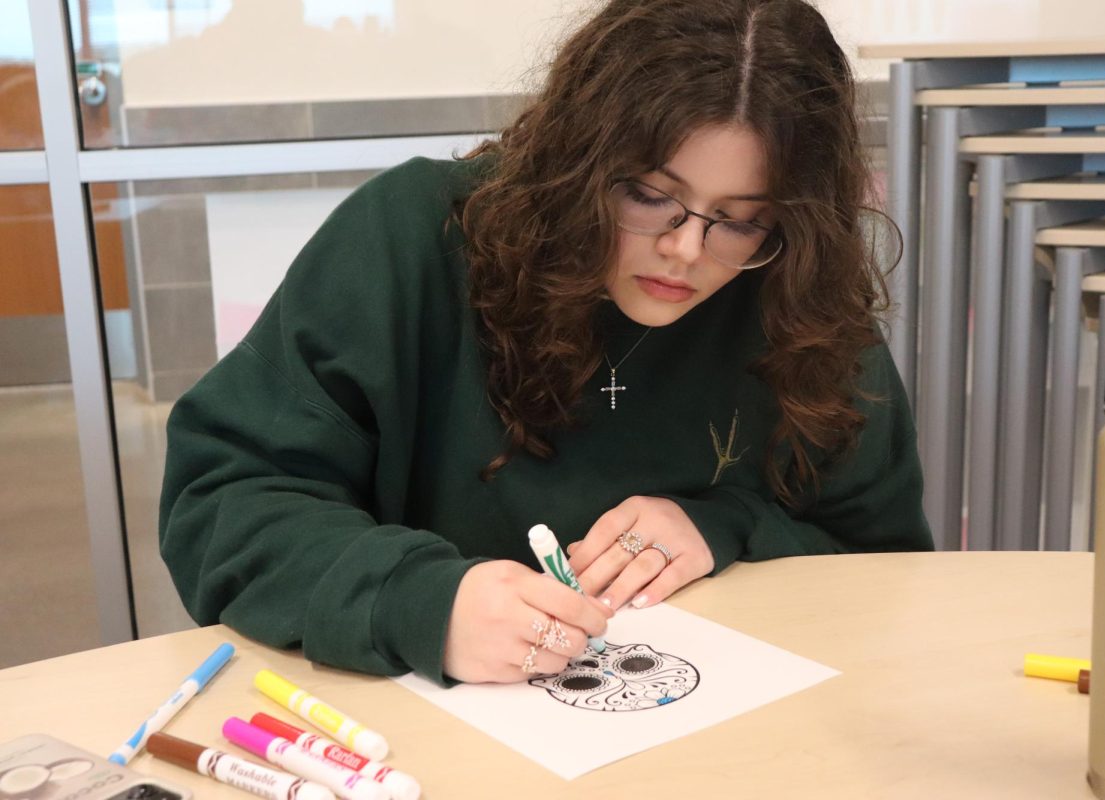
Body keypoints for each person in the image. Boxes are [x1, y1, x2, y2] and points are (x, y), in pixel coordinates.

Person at [159, 0, 933, 686]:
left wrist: (730, 525)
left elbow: (885, 566)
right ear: (578, 160)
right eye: (648, 196)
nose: (687, 251)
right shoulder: (412, 237)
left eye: (738, 218)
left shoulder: (798, 289)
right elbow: (223, 502)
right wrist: (418, 600)